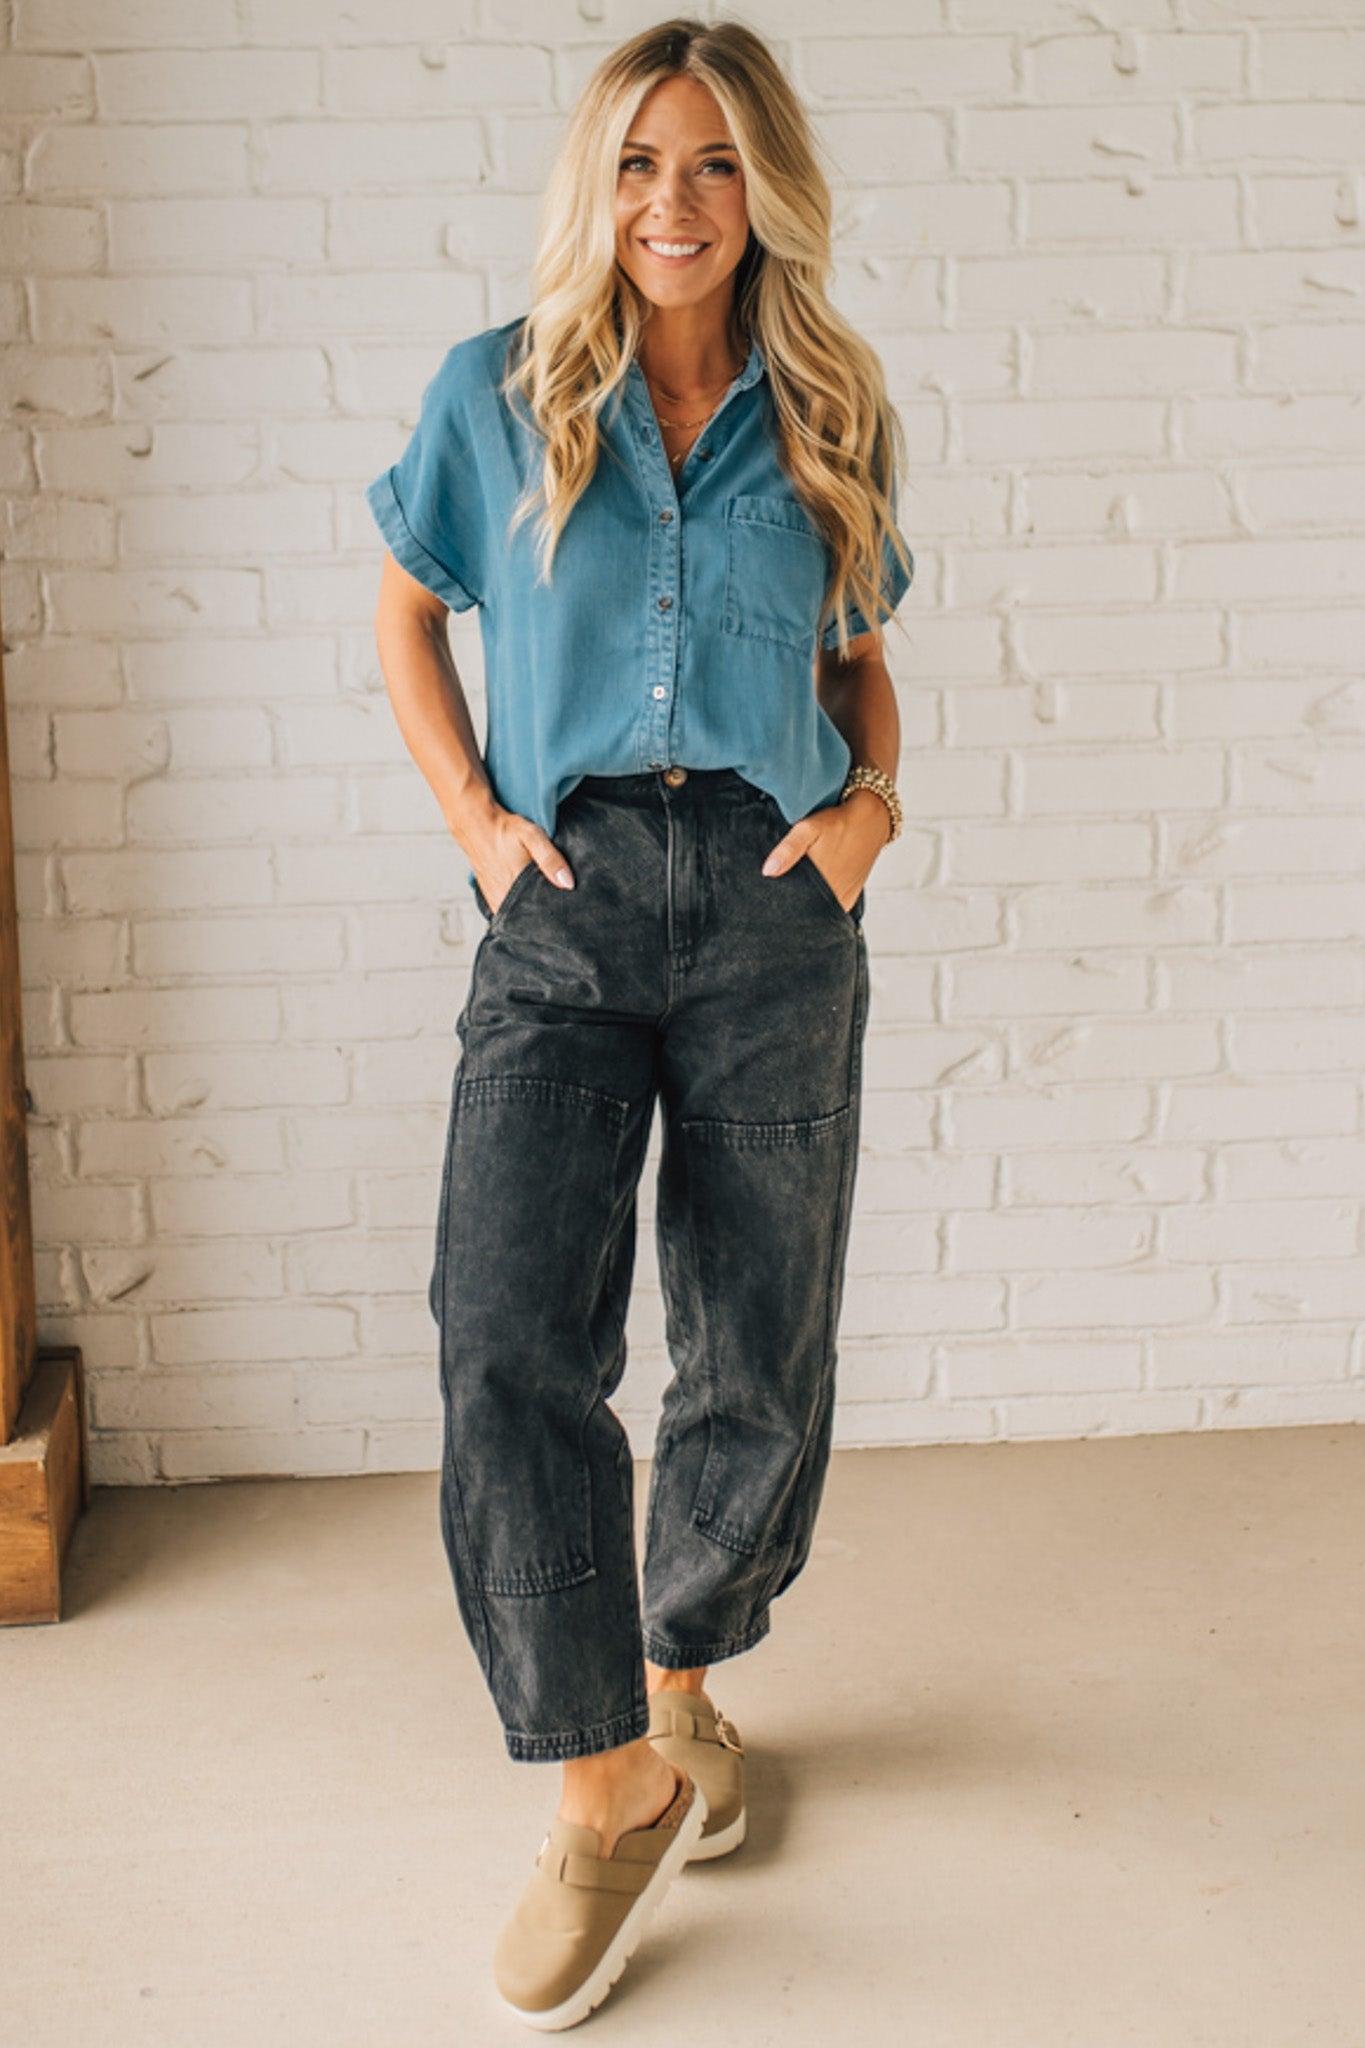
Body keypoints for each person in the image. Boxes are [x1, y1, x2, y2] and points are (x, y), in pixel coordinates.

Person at [365, 15, 913, 2029]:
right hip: (566, 899)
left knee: (754, 1338)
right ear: (589, 188)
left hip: (774, 908)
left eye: (706, 164)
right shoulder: (495, 395)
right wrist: (476, 825)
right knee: (506, 1329)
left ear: (762, 184)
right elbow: (405, 605)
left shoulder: (833, 402)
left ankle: (682, 1682)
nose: (669, 205)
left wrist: (867, 817)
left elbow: (864, 661)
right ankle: (598, 1778)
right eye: (633, 164)